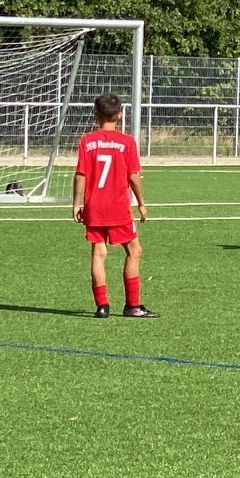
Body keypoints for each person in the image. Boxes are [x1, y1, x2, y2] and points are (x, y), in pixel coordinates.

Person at [73, 93, 157, 318]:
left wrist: (76, 204)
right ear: (120, 115)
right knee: (134, 251)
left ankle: (102, 306)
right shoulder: (126, 142)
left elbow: (80, 174)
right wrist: (141, 203)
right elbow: (133, 176)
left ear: (96, 115)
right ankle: (132, 306)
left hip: (94, 207)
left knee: (98, 253)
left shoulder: (87, 141)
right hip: (118, 208)